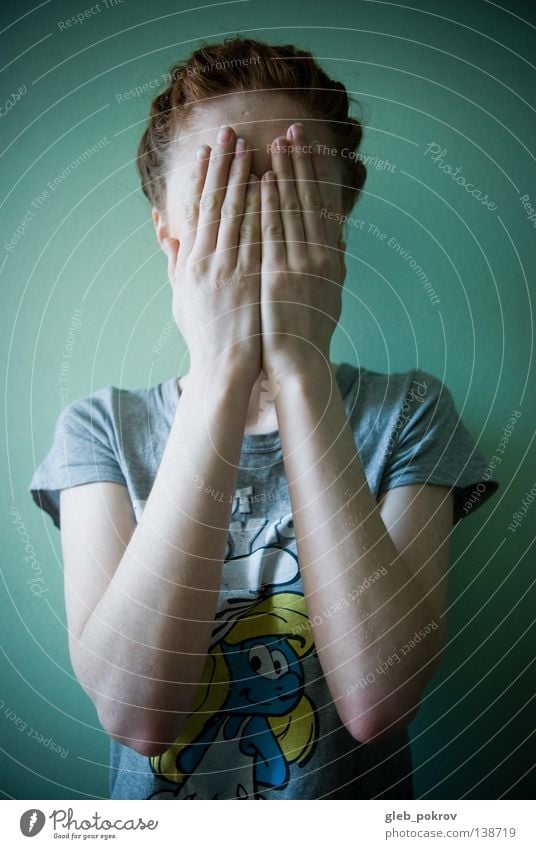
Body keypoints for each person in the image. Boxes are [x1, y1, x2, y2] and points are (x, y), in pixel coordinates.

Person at [29, 36, 500, 800]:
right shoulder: (100, 430)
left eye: (287, 190)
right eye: (222, 190)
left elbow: (380, 702)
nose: (255, 220)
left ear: (335, 230)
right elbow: (136, 714)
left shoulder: (410, 413)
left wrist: (300, 364)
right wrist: (221, 371)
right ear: (169, 238)